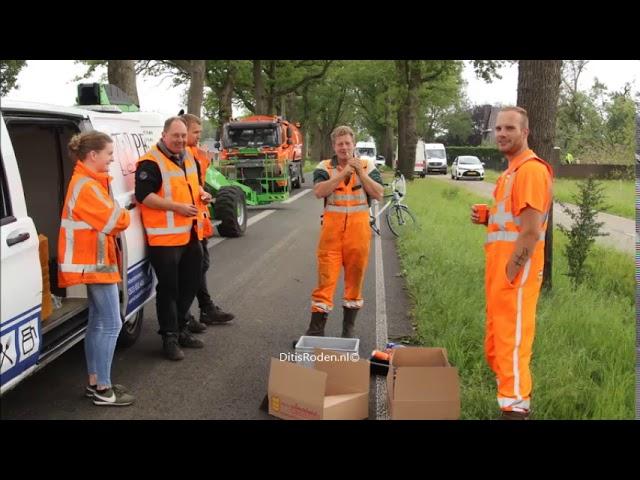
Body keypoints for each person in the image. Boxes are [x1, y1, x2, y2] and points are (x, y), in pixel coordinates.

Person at [470, 106, 553, 420]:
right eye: (499, 129)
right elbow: (516, 223)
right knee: (497, 345)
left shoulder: (531, 170)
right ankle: (511, 402)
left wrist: (510, 273)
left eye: (510, 129)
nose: (502, 134)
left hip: (514, 278)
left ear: (525, 132)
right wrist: (488, 218)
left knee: (512, 347)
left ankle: (516, 410)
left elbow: (531, 232)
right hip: (500, 277)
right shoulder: (510, 172)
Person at [58, 131, 135, 406]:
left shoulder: (87, 182)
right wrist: (123, 210)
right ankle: (104, 389)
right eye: (109, 154)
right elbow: (117, 220)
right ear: (93, 155)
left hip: (93, 263)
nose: (111, 159)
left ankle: (96, 382)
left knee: (97, 322)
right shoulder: (87, 187)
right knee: (112, 323)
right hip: (95, 264)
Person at [135, 116, 206, 361]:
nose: (180, 140)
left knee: (192, 282)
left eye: (184, 136)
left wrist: (203, 193)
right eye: (176, 136)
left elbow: (191, 186)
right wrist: (176, 208)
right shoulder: (150, 162)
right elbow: (144, 196)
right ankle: (170, 337)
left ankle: (181, 326)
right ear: (164, 135)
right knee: (169, 289)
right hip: (164, 241)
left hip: (189, 233)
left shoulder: (189, 157)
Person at [304, 126, 384, 338]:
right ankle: (315, 332)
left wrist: (358, 172)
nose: (344, 147)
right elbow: (319, 192)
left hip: (358, 236)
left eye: (348, 143)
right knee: (325, 282)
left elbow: (379, 193)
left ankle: (348, 330)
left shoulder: (367, 165)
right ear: (333, 146)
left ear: (353, 145)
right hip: (331, 236)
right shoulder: (325, 167)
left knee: (354, 282)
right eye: (340, 144)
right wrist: (343, 174)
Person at [180, 113, 235, 333]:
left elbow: (195, 184)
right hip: (185, 224)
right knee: (192, 270)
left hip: (197, 220)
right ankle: (190, 314)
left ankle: (204, 308)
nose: (199, 136)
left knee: (201, 266)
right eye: (196, 132)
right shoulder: (183, 156)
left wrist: (202, 193)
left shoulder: (194, 154)